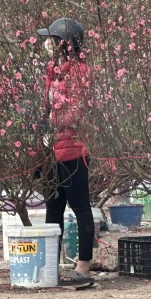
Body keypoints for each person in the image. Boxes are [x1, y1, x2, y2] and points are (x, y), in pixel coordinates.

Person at [37, 17, 94, 283]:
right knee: (53, 208)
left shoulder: (79, 72)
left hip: (73, 149)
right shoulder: (54, 72)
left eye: (54, 39)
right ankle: (51, 264)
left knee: (80, 206)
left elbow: (77, 111)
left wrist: (54, 123)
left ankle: (83, 265)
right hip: (51, 151)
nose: (49, 44)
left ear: (66, 44)